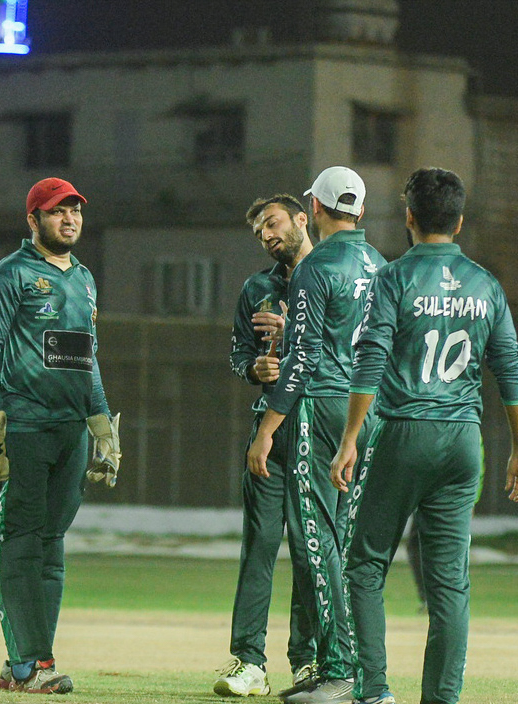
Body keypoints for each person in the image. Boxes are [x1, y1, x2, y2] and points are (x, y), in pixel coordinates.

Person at [331, 167, 518, 704]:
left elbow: (370, 359)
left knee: (364, 564)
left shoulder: (393, 278)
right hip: (462, 441)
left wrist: (350, 437)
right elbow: (509, 369)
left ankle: (374, 691)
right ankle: (442, 698)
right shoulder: (486, 284)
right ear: (459, 221)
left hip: (402, 432)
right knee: (449, 582)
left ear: (409, 217)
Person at [0, 177, 121, 694]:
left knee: (51, 546)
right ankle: (29, 664)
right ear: (33, 220)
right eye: (57, 211)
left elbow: (86, 356)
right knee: (21, 541)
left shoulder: (85, 279)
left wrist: (102, 425)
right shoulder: (11, 274)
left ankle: (29, 661)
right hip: (26, 427)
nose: (69, 219)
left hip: (71, 433)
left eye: (75, 210)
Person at [246, 166, 387, 704]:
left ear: (315, 208)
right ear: (361, 210)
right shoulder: (381, 266)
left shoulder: (316, 266)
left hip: (322, 409)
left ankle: (337, 669)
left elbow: (302, 359)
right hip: (367, 412)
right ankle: (359, 670)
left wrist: (267, 429)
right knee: (345, 542)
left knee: (314, 541)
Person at [215, 194, 315, 697]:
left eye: (273, 224)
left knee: (310, 549)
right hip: (269, 433)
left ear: (302, 218)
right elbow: (238, 351)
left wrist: (293, 330)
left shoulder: (334, 276)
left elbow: (349, 347)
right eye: (259, 232)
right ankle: (249, 661)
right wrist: (252, 367)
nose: (268, 236)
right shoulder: (257, 287)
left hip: (318, 427)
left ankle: (309, 661)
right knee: (258, 545)